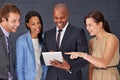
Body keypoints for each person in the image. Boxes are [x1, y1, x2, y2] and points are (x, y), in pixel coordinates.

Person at [65, 10, 120, 80]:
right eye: (86, 25)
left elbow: (104, 63)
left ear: (100, 24)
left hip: (109, 75)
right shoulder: (92, 42)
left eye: (90, 25)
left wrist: (83, 55)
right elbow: (91, 65)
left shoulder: (111, 38)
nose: (87, 28)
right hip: (95, 75)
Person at [42, 3, 88, 80]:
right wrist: (48, 56)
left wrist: (70, 68)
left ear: (68, 15)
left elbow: (85, 58)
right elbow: (41, 58)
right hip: (52, 77)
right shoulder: (48, 34)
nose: (59, 21)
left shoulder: (78, 32)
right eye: (56, 18)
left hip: (71, 77)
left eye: (62, 17)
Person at [16, 11, 47, 80]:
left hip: (43, 77)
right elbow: (19, 67)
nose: (37, 26)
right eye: (33, 24)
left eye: (38, 23)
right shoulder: (21, 41)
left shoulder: (44, 38)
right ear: (28, 25)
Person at [0, 4, 21, 80]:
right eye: (14, 21)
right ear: (3, 20)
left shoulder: (8, 35)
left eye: (18, 20)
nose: (18, 24)